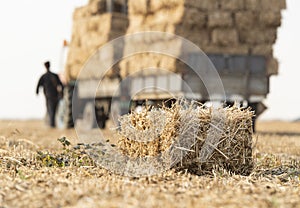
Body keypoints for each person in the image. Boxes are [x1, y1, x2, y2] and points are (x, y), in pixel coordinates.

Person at [36, 61, 64, 127]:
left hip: (48, 96)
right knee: (54, 109)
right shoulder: (54, 75)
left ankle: (52, 124)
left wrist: (37, 92)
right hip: (55, 95)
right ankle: (52, 123)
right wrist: (61, 92)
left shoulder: (44, 76)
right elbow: (61, 85)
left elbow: (38, 85)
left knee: (50, 109)